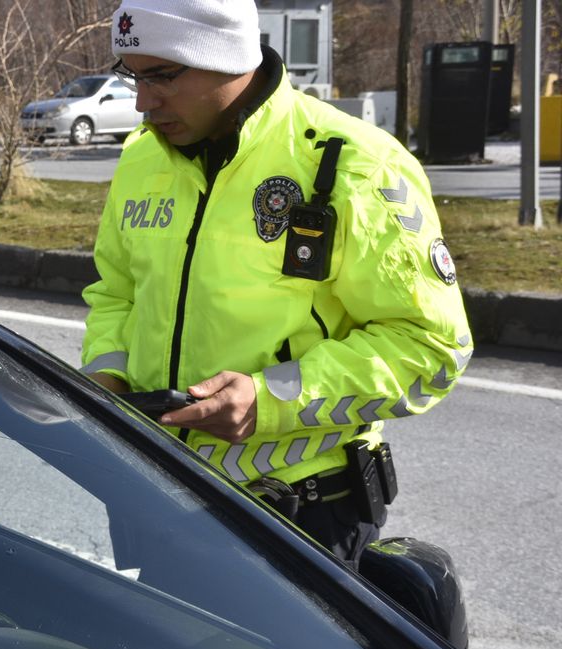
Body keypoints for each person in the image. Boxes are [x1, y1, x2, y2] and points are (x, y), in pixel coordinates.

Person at [81, 0, 472, 568]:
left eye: (163, 75)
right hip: (151, 490)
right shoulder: (143, 157)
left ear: (229, 55)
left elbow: (431, 347)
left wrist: (270, 400)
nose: (142, 102)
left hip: (294, 518)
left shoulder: (356, 163)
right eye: (132, 76)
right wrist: (107, 376)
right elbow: (116, 293)